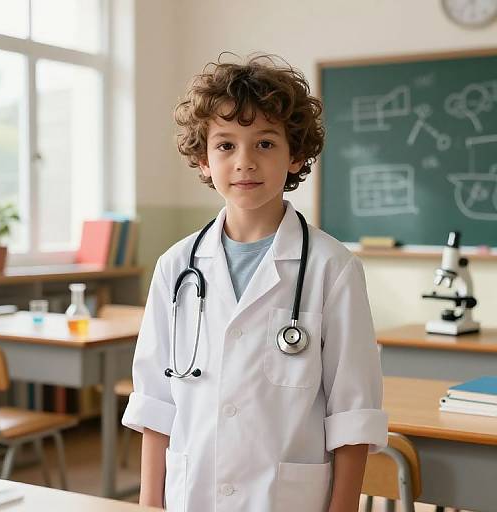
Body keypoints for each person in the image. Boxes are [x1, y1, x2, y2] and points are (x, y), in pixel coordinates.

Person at [122, 54, 387, 512]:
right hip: (194, 494)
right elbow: (155, 403)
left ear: (296, 154)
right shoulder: (176, 267)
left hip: (285, 499)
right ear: (203, 160)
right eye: (225, 145)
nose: (244, 162)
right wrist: (150, 504)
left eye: (265, 144)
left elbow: (352, 413)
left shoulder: (332, 268)